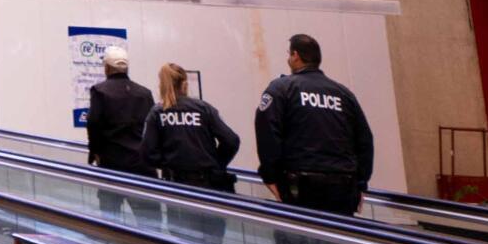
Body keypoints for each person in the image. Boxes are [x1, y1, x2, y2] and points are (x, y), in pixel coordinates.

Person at [254, 32, 376, 214]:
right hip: (343, 185)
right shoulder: (343, 94)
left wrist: (270, 176)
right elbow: (365, 140)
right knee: (340, 237)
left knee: (298, 237)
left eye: (289, 53)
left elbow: (268, 133)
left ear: (295, 55)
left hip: (300, 186)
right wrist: (361, 183)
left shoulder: (281, 89)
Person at [141, 63, 241, 191]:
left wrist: (168, 164)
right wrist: (216, 163)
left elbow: (148, 153)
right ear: (185, 83)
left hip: (176, 185)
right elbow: (231, 140)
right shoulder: (203, 108)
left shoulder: (158, 112)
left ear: (162, 85)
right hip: (209, 184)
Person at [83, 45, 156, 174]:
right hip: (142, 163)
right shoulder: (145, 93)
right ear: (126, 68)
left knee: (112, 194)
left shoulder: (100, 91)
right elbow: (152, 127)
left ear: (106, 68)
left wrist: (95, 152)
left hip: (112, 163)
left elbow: (93, 123)